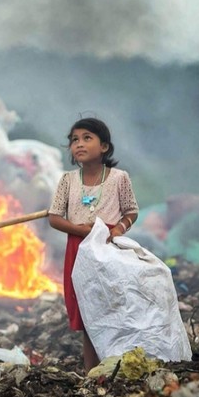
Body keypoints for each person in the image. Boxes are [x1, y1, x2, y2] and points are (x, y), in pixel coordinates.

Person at [48, 117, 139, 372]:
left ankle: (118, 365)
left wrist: (119, 228)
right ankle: (92, 372)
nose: (79, 144)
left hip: (109, 248)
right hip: (79, 251)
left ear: (104, 147)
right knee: (89, 312)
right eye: (74, 140)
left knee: (112, 305)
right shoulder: (68, 180)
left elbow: (131, 211)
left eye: (87, 138)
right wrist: (79, 230)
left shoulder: (119, 178)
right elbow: (54, 217)